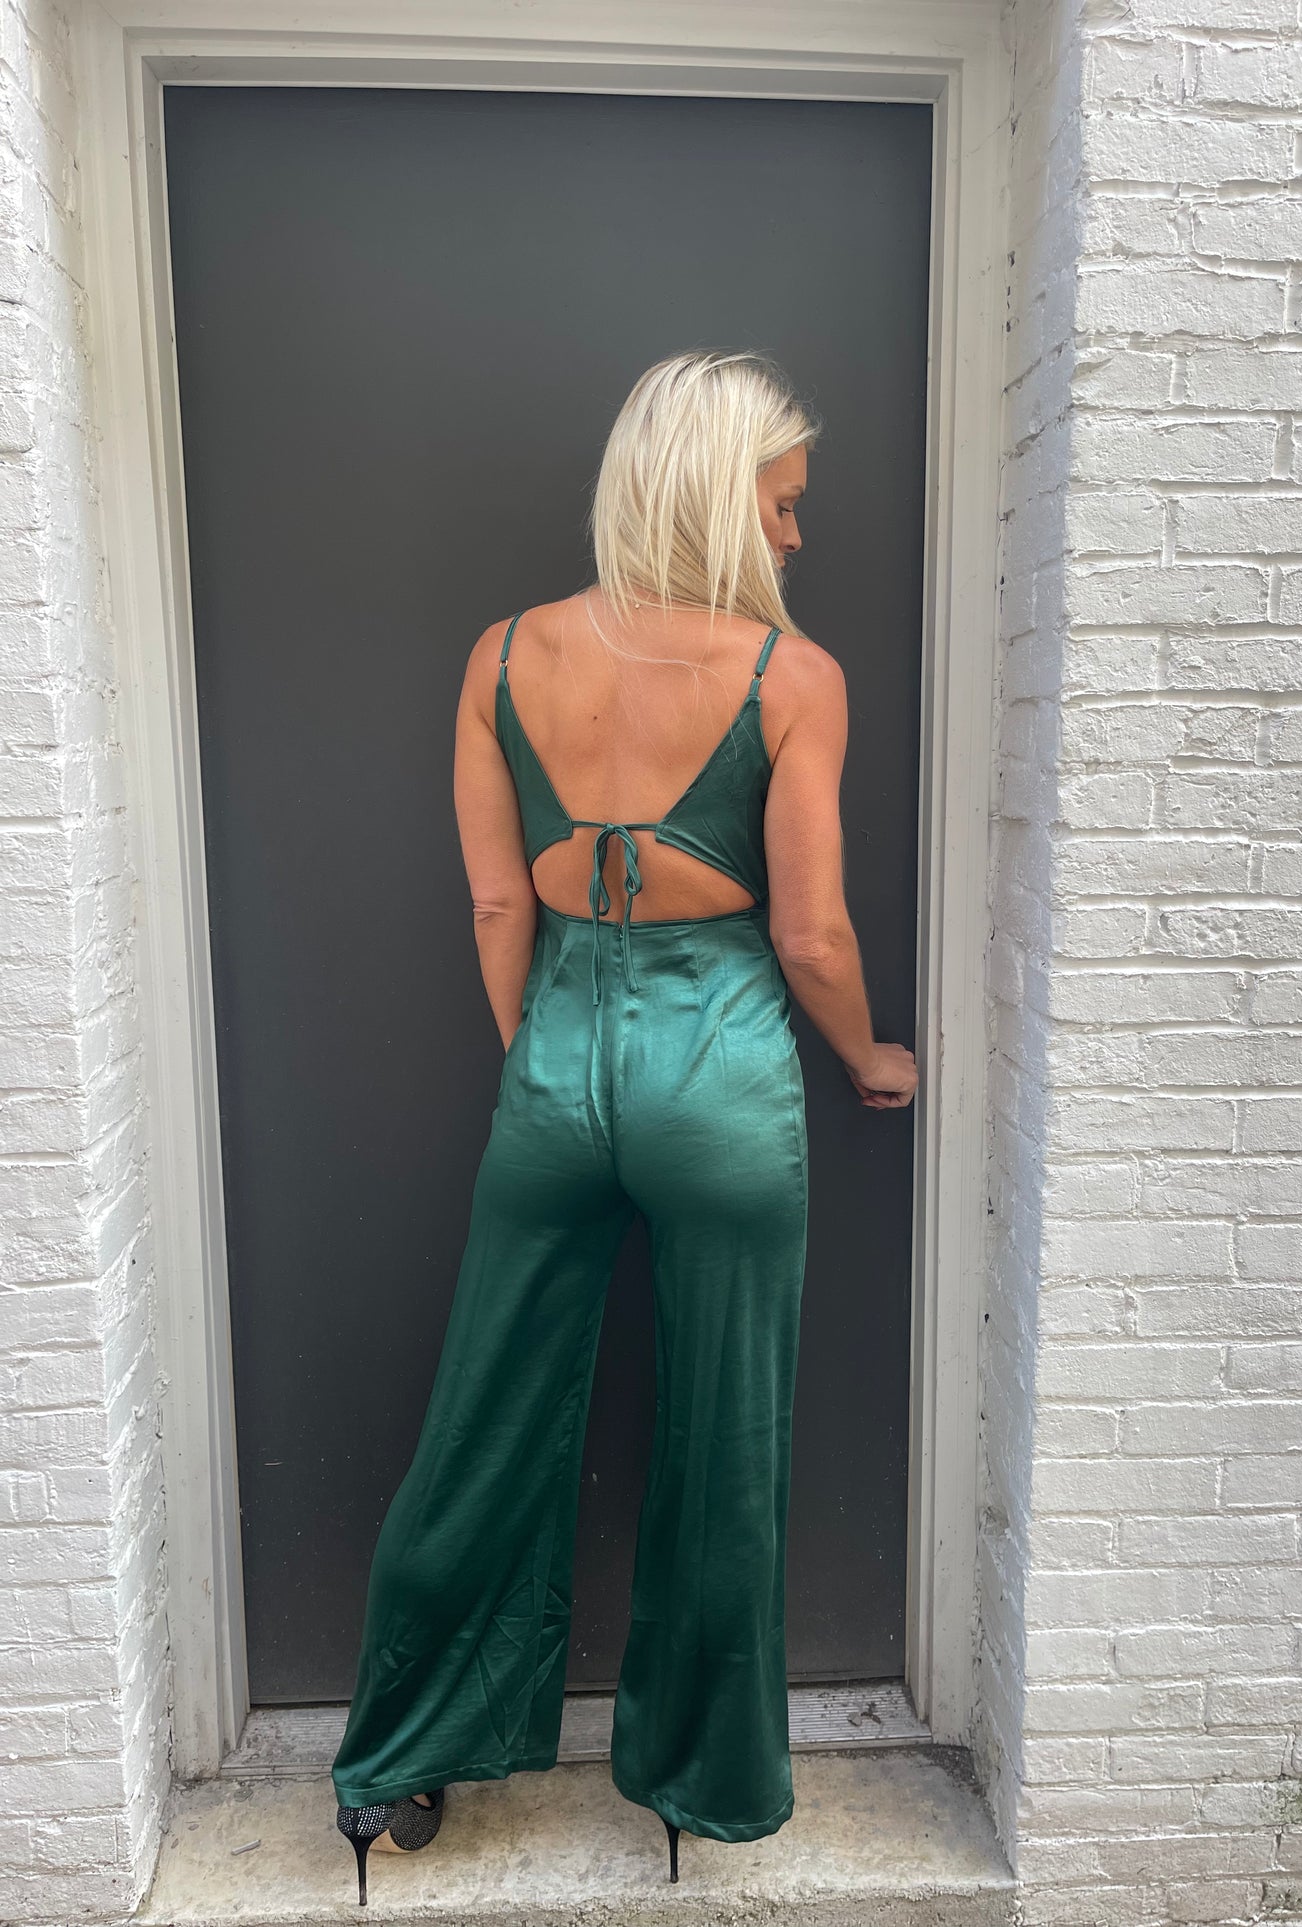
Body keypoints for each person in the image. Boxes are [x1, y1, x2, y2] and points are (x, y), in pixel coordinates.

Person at [330, 349, 917, 1905]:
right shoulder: (791, 678)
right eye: (779, 505)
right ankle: (697, 1780)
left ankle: (395, 1767)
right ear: (717, 500)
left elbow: (494, 902)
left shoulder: (501, 655)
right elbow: (810, 937)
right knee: (727, 1432)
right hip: (718, 1068)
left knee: (485, 1417)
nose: (794, 535)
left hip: (557, 1060)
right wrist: (870, 1058)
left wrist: (545, 1062)